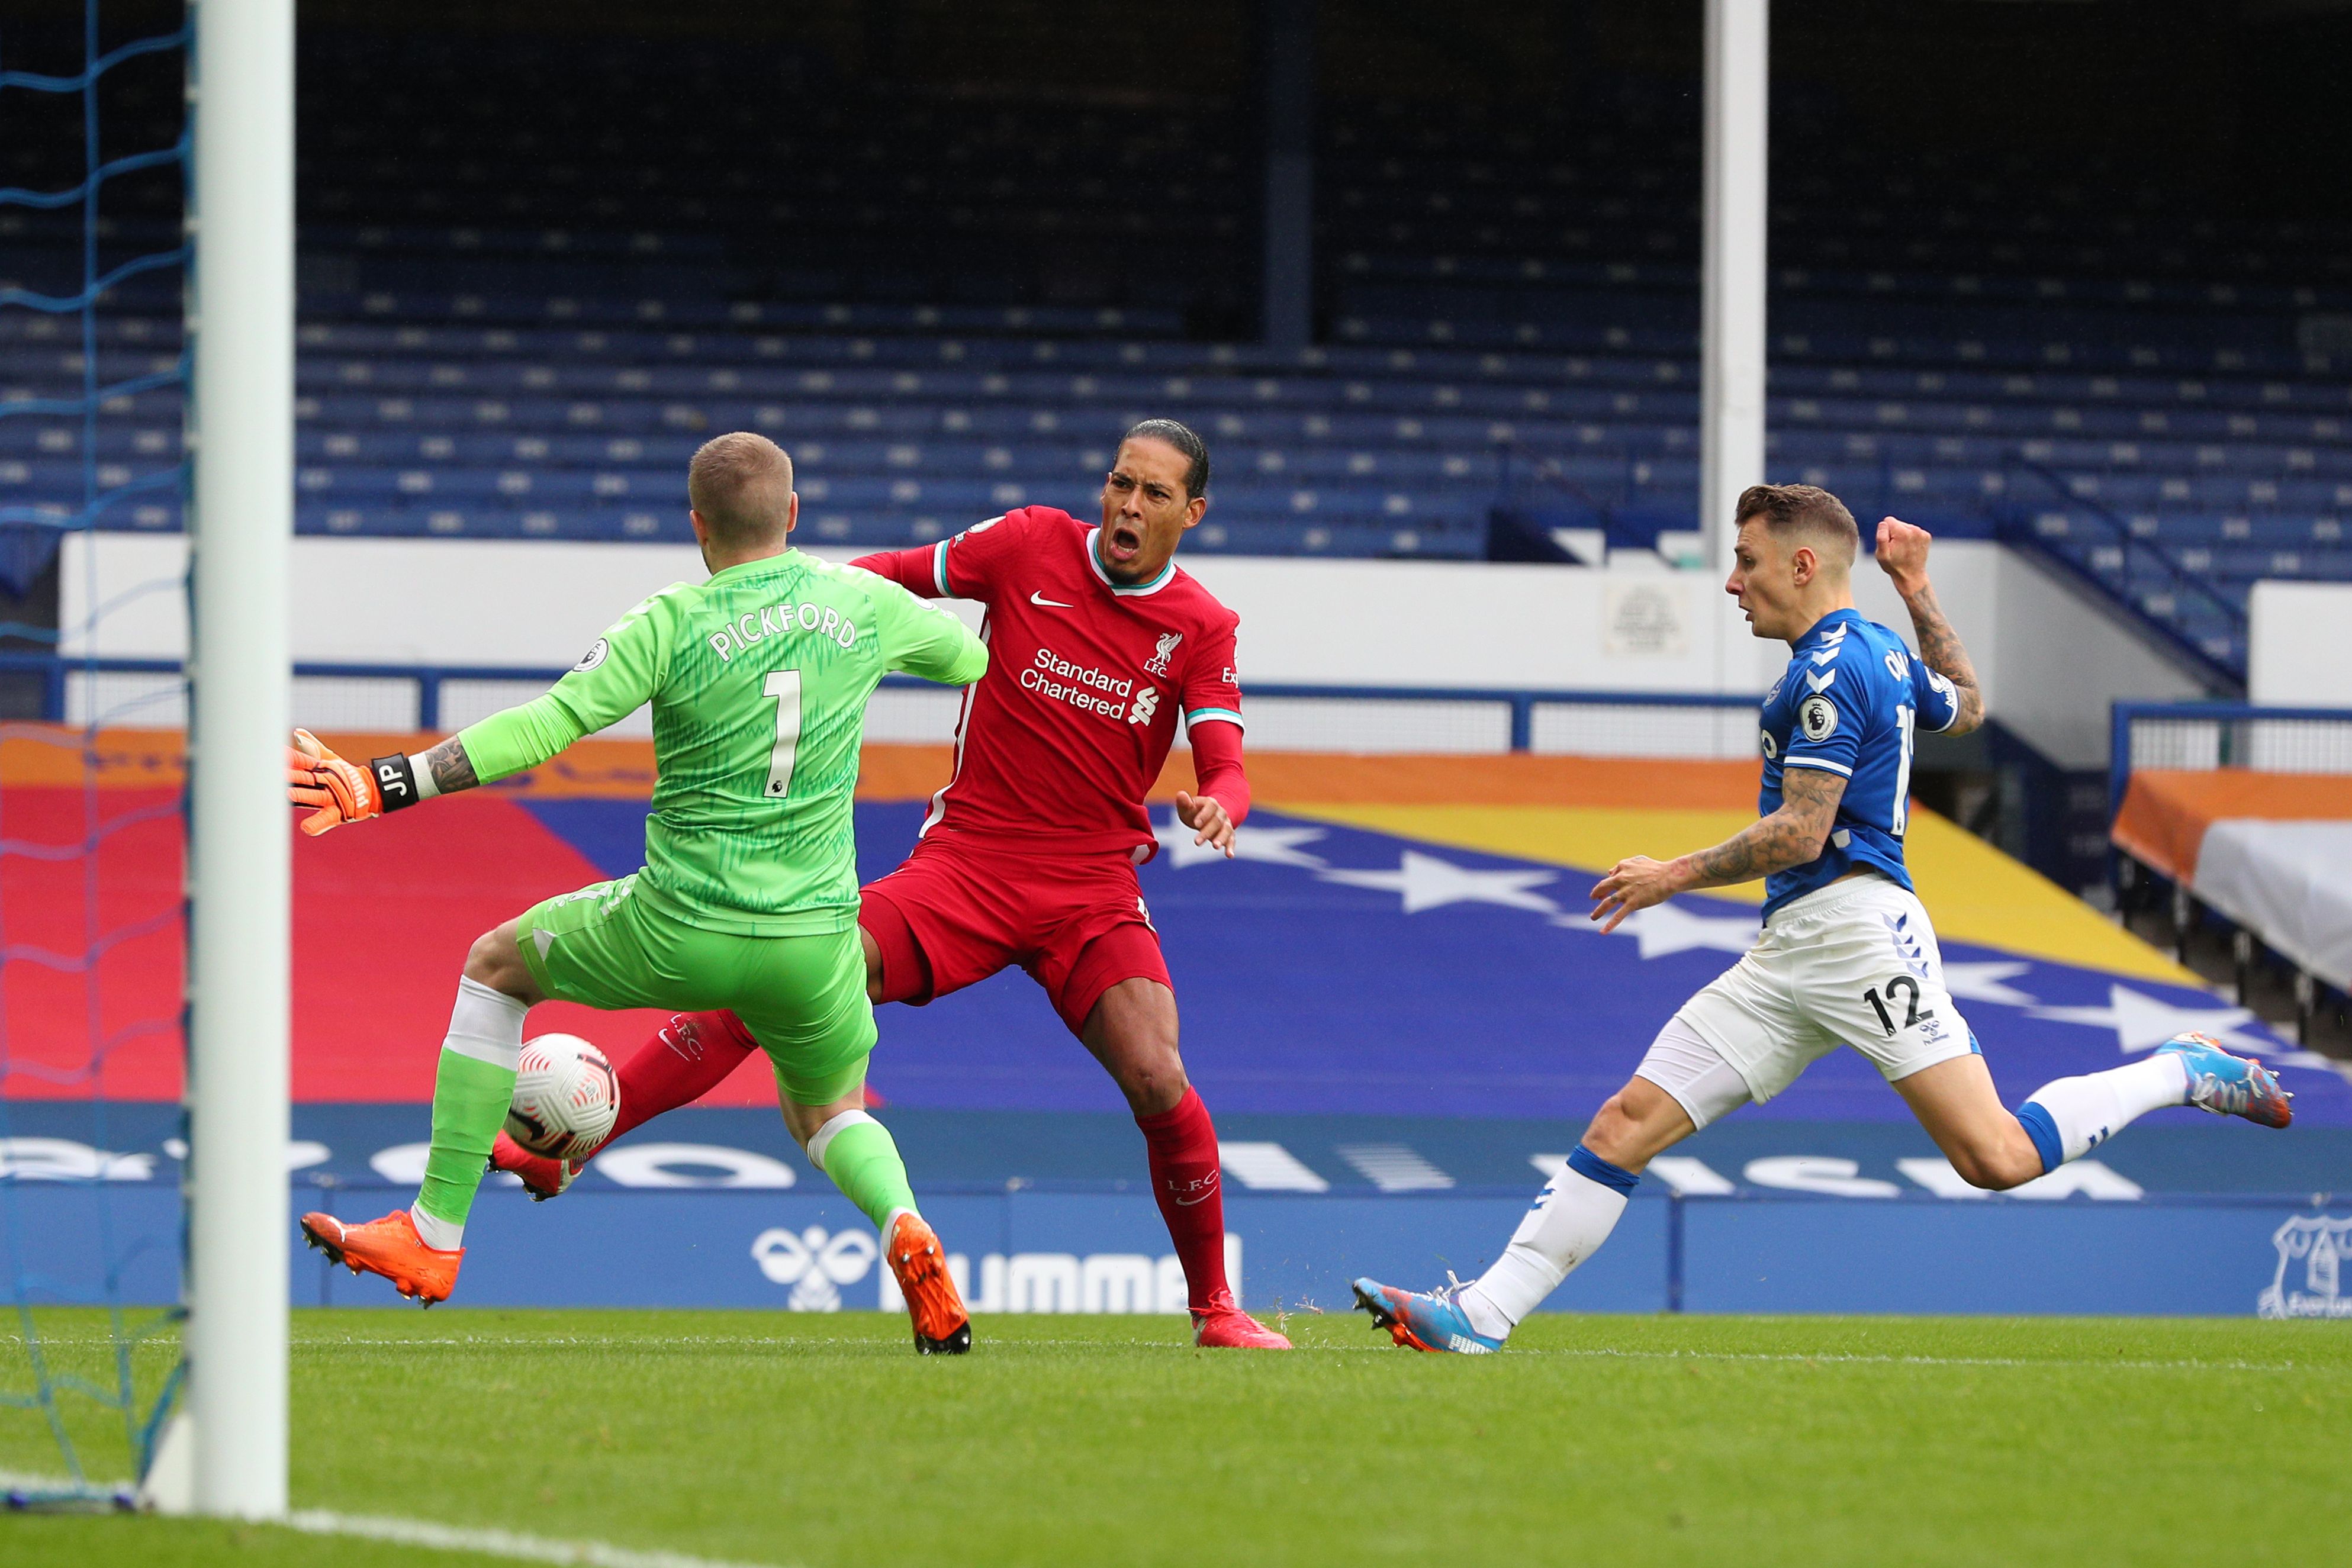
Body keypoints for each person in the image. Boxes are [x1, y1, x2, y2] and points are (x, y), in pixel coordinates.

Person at [1352, 484, 2293, 1354]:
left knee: (1994, 1155)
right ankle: (1479, 1315)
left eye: (1747, 561)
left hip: (1855, 932)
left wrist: (1669, 874)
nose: (1732, 581)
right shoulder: (1880, 647)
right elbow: (1965, 704)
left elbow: (1801, 833)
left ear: (1802, 565)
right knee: (1623, 1121)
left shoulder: (1828, 674)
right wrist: (1918, 590)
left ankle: (2184, 1069)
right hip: (1792, 946)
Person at [490, 417, 1290, 1350]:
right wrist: (777, 608)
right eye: (1119, 482)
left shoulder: (1200, 626)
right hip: (968, 866)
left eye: (1154, 494)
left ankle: (1216, 1309)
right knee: (786, 979)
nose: (1127, 504)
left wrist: (1219, 803)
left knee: (1158, 1075)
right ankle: (578, 1146)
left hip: (1090, 885)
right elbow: (875, 577)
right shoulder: (1026, 543)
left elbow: (1223, 760)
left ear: (1191, 512)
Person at [287, 432, 989, 1354]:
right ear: (794, 515)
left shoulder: (669, 621)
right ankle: (900, 1219)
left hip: (679, 927)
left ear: (695, 525)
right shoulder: (855, 600)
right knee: (830, 1112)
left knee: (495, 966)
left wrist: (386, 783)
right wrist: (846, 613)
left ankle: (433, 1234)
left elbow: (547, 726)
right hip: (817, 941)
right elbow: (965, 662)